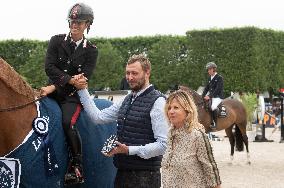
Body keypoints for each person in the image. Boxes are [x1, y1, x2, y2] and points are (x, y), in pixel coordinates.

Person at [75, 54, 169, 188]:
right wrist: (82, 89)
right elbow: (98, 117)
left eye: (135, 73)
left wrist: (128, 150)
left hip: (146, 177)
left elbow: (163, 145)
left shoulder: (158, 102)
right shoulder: (127, 99)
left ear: (147, 72)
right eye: (128, 73)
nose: (130, 78)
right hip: (122, 173)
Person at [42, 2, 98, 185]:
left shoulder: (92, 50)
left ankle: (77, 165)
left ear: (88, 24)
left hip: (72, 96)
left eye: (79, 23)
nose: (74, 26)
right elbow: (49, 67)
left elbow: (83, 79)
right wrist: (67, 81)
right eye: (72, 22)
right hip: (51, 91)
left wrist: (57, 86)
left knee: (68, 122)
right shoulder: (56, 41)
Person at [162, 90, 221, 188]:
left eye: (176, 107)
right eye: (169, 108)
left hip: (216, 96)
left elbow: (212, 174)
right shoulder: (170, 135)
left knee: (213, 108)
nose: (171, 111)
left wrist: (209, 95)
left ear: (187, 110)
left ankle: (214, 121)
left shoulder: (197, 135)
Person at [202, 62, 224, 129]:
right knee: (203, 106)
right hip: (211, 97)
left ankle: (214, 123)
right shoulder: (209, 78)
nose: (208, 71)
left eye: (210, 69)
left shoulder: (219, 78)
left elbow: (218, 89)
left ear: (214, 69)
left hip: (218, 97)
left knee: (213, 107)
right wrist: (202, 96)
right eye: (208, 70)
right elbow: (206, 88)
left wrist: (209, 96)